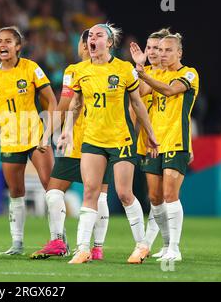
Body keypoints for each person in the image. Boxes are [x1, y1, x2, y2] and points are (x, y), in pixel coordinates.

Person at [58, 23, 158, 264]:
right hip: (92, 139)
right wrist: (67, 131)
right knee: (90, 192)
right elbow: (76, 104)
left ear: (110, 42)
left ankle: (142, 245)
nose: (92, 39)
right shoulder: (80, 70)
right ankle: (83, 248)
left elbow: (136, 103)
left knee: (124, 193)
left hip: (121, 138)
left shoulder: (124, 69)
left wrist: (150, 133)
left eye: (99, 35)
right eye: (90, 35)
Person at [29, 29, 111, 261]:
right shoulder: (73, 71)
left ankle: (96, 247)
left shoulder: (111, 70)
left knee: (99, 195)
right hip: (74, 143)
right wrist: (50, 134)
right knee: (54, 192)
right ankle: (58, 242)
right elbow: (65, 105)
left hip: (99, 142)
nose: (85, 45)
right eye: (86, 40)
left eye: (89, 40)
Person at [0, 26, 57, 255]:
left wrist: (47, 133)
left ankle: (57, 240)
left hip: (35, 136)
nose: (3, 45)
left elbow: (51, 101)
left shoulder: (31, 68)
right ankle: (17, 244)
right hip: (10, 139)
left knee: (50, 187)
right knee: (16, 191)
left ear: (18, 46)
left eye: (8, 41)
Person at [131, 32, 200, 261]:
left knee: (171, 195)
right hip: (154, 143)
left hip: (176, 140)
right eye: (160, 50)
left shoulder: (189, 73)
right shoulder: (155, 73)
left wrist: (145, 75)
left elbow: (170, 90)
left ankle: (175, 248)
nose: (162, 54)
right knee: (155, 198)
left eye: (168, 50)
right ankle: (166, 244)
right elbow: (139, 94)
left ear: (179, 52)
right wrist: (141, 69)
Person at [130, 28, 172, 258]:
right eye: (150, 48)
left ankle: (158, 244)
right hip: (146, 143)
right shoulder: (143, 75)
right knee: (154, 197)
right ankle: (163, 244)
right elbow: (134, 100)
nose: (153, 52)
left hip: (168, 142)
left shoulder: (172, 76)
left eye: (158, 48)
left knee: (166, 195)